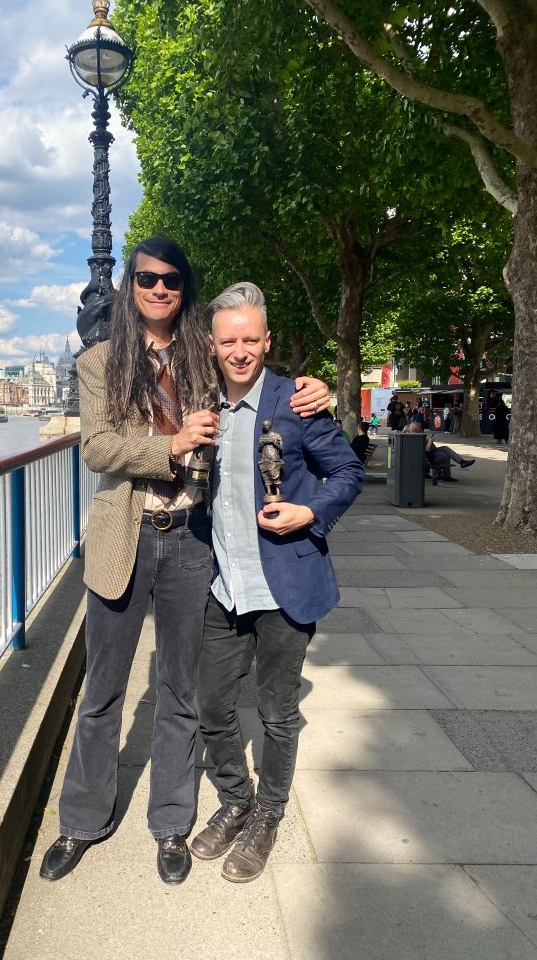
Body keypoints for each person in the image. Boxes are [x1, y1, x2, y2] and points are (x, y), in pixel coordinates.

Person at [39, 237, 329, 885]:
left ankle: (171, 824)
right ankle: (82, 822)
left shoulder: (204, 355)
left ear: (184, 288)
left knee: (178, 692)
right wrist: (168, 444)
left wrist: (316, 387)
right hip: (125, 538)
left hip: (192, 541)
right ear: (130, 287)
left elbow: (255, 370)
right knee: (102, 694)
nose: (160, 289)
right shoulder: (100, 362)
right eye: (146, 278)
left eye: (172, 280)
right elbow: (99, 448)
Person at [191, 282, 363, 883]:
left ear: (267, 342)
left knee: (276, 712)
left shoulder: (297, 401)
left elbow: (346, 471)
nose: (239, 351)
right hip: (224, 587)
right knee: (211, 703)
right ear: (212, 347)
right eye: (227, 340)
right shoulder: (203, 407)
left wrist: (309, 512)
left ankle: (268, 812)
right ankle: (235, 800)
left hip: (284, 586)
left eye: (250, 339)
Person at [408, 422, 476, 481]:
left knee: (445, 449)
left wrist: (427, 439)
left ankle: (461, 462)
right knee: (444, 456)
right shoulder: (415, 438)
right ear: (416, 430)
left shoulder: (414, 436)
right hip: (430, 455)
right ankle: (447, 475)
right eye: (420, 428)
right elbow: (426, 450)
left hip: (431, 453)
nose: (421, 429)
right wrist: (430, 441)